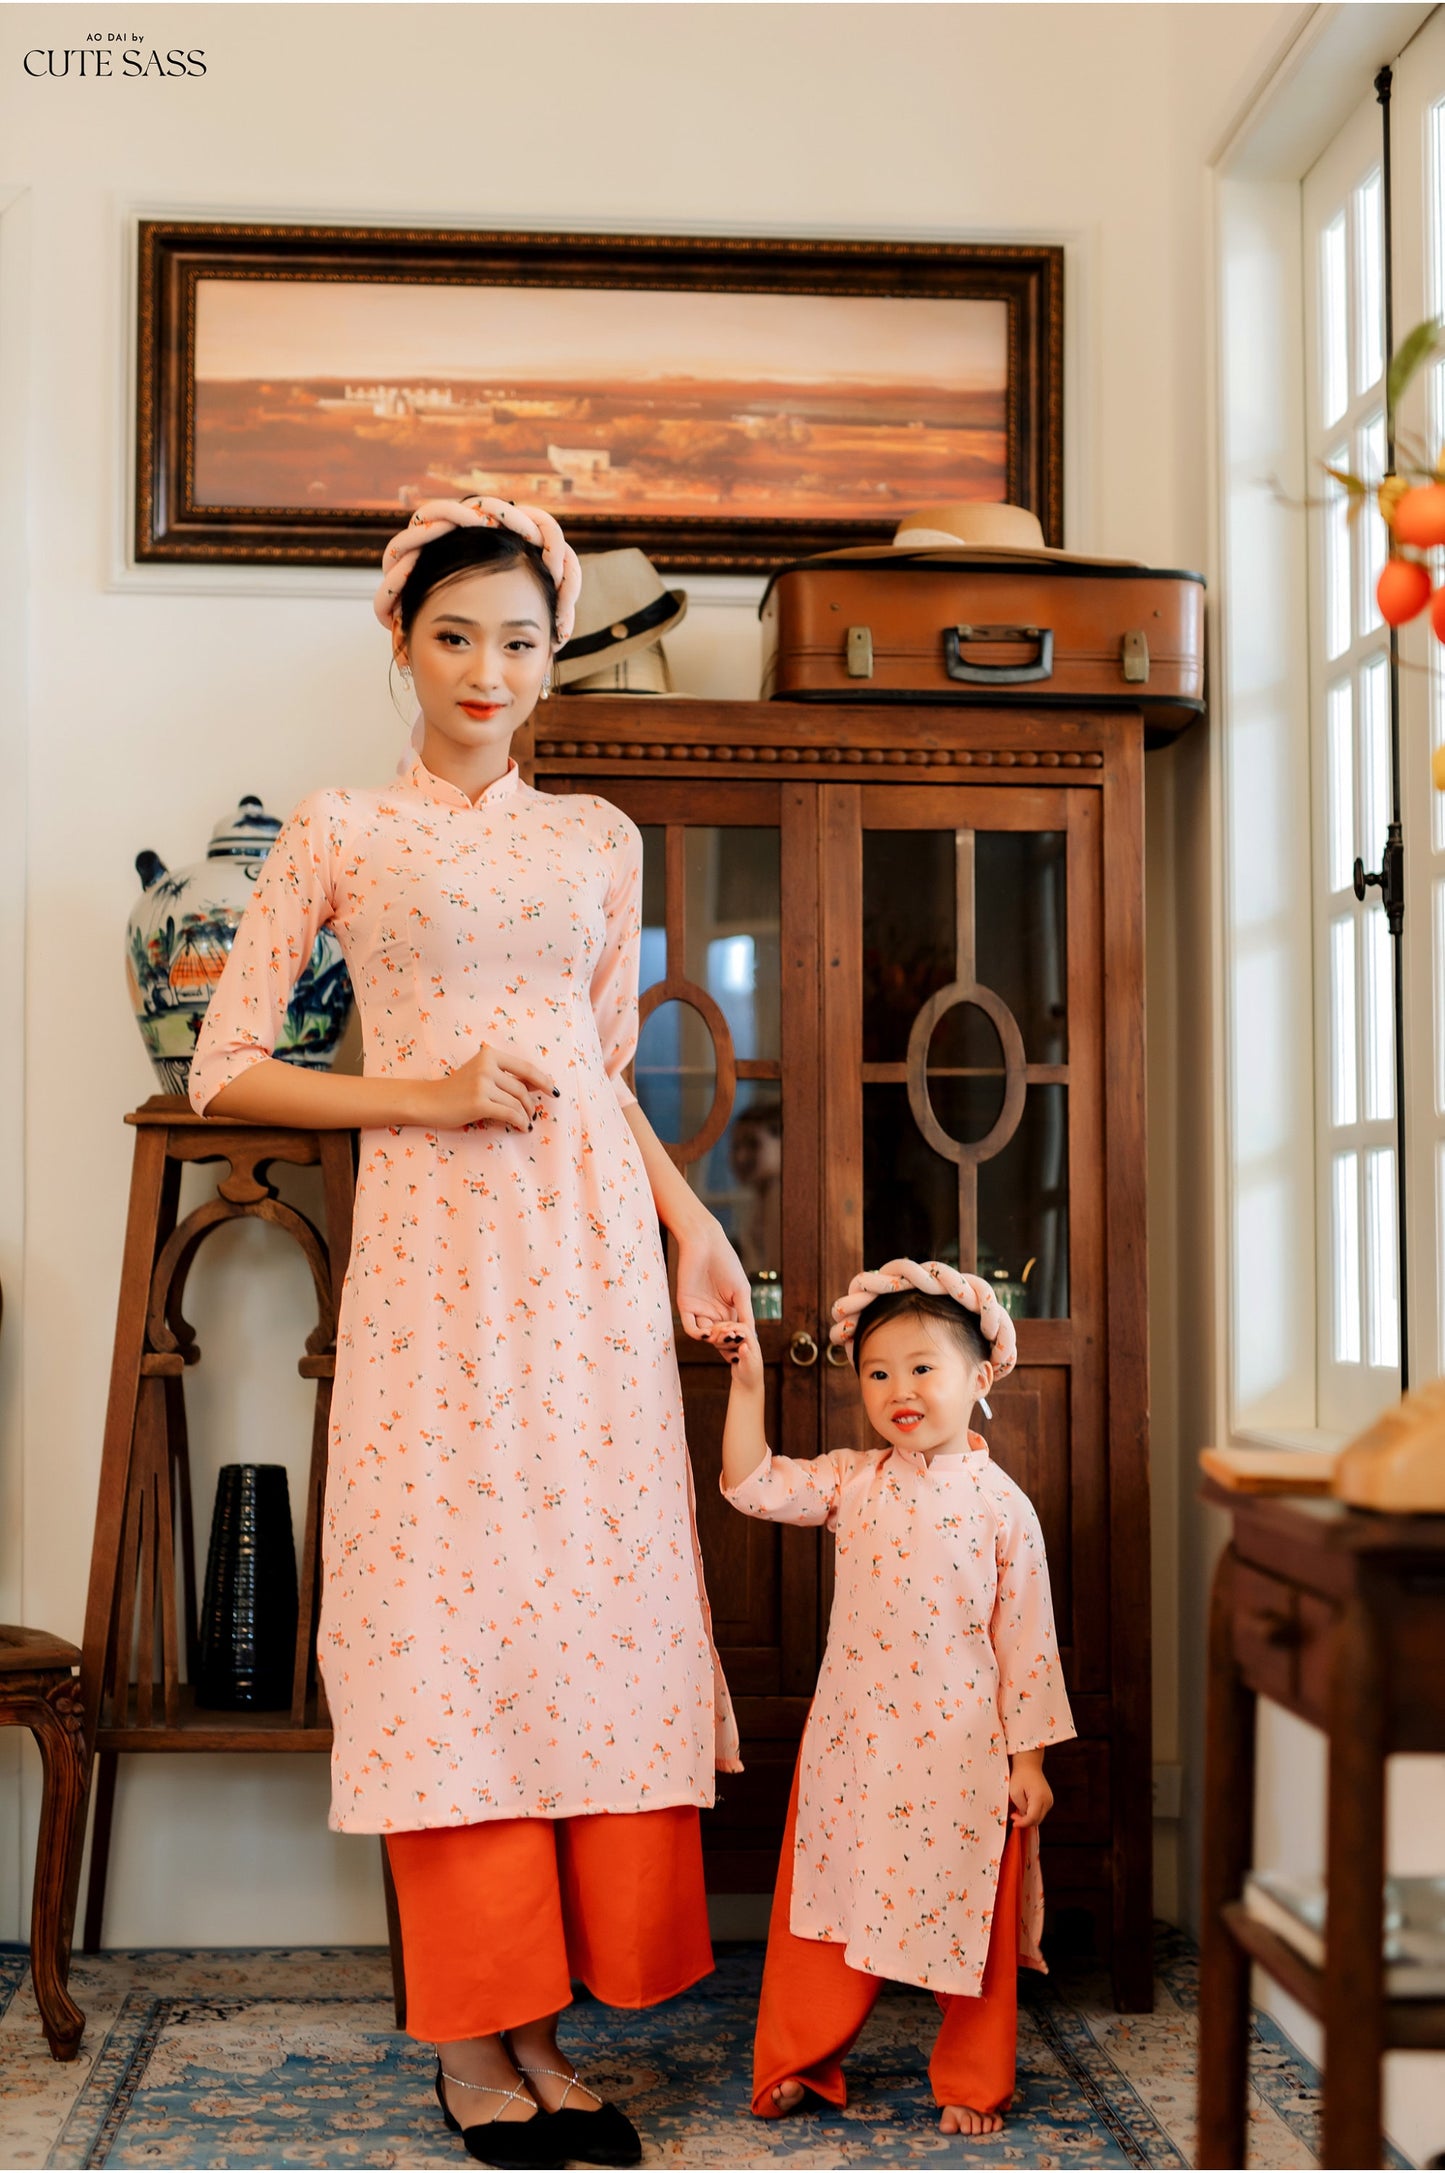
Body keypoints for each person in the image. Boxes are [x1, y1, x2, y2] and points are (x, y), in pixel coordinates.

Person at [189, 495, 748, 2170]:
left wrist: (693, 1219)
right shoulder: (343, 827)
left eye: (521, 639)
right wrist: (418, 1092)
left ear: (551, 650)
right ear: (399, 642)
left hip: (587, 1264)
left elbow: (602, 1068)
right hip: (435, 1259)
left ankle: (550, 2039)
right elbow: (228, 1065)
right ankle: (475, 2046)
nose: (491, 670)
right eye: (457, 636)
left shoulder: (598, 837)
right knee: (449, 1616)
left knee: (591, 1603)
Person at [707, 1257, 1074, 2137]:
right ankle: (797, 2056)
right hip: (855, 1745)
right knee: (826, 1901)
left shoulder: (1002, 1509)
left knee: (969, 1919)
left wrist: (1029, 1762)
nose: (898, 1389)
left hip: (962, 1755)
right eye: (877, 1372)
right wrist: (749, 1379)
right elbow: (749, 1484)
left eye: (921, 1368)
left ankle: (972, 2078)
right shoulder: (850, 1480)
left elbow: (1027, 1646)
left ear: (979, 1377)